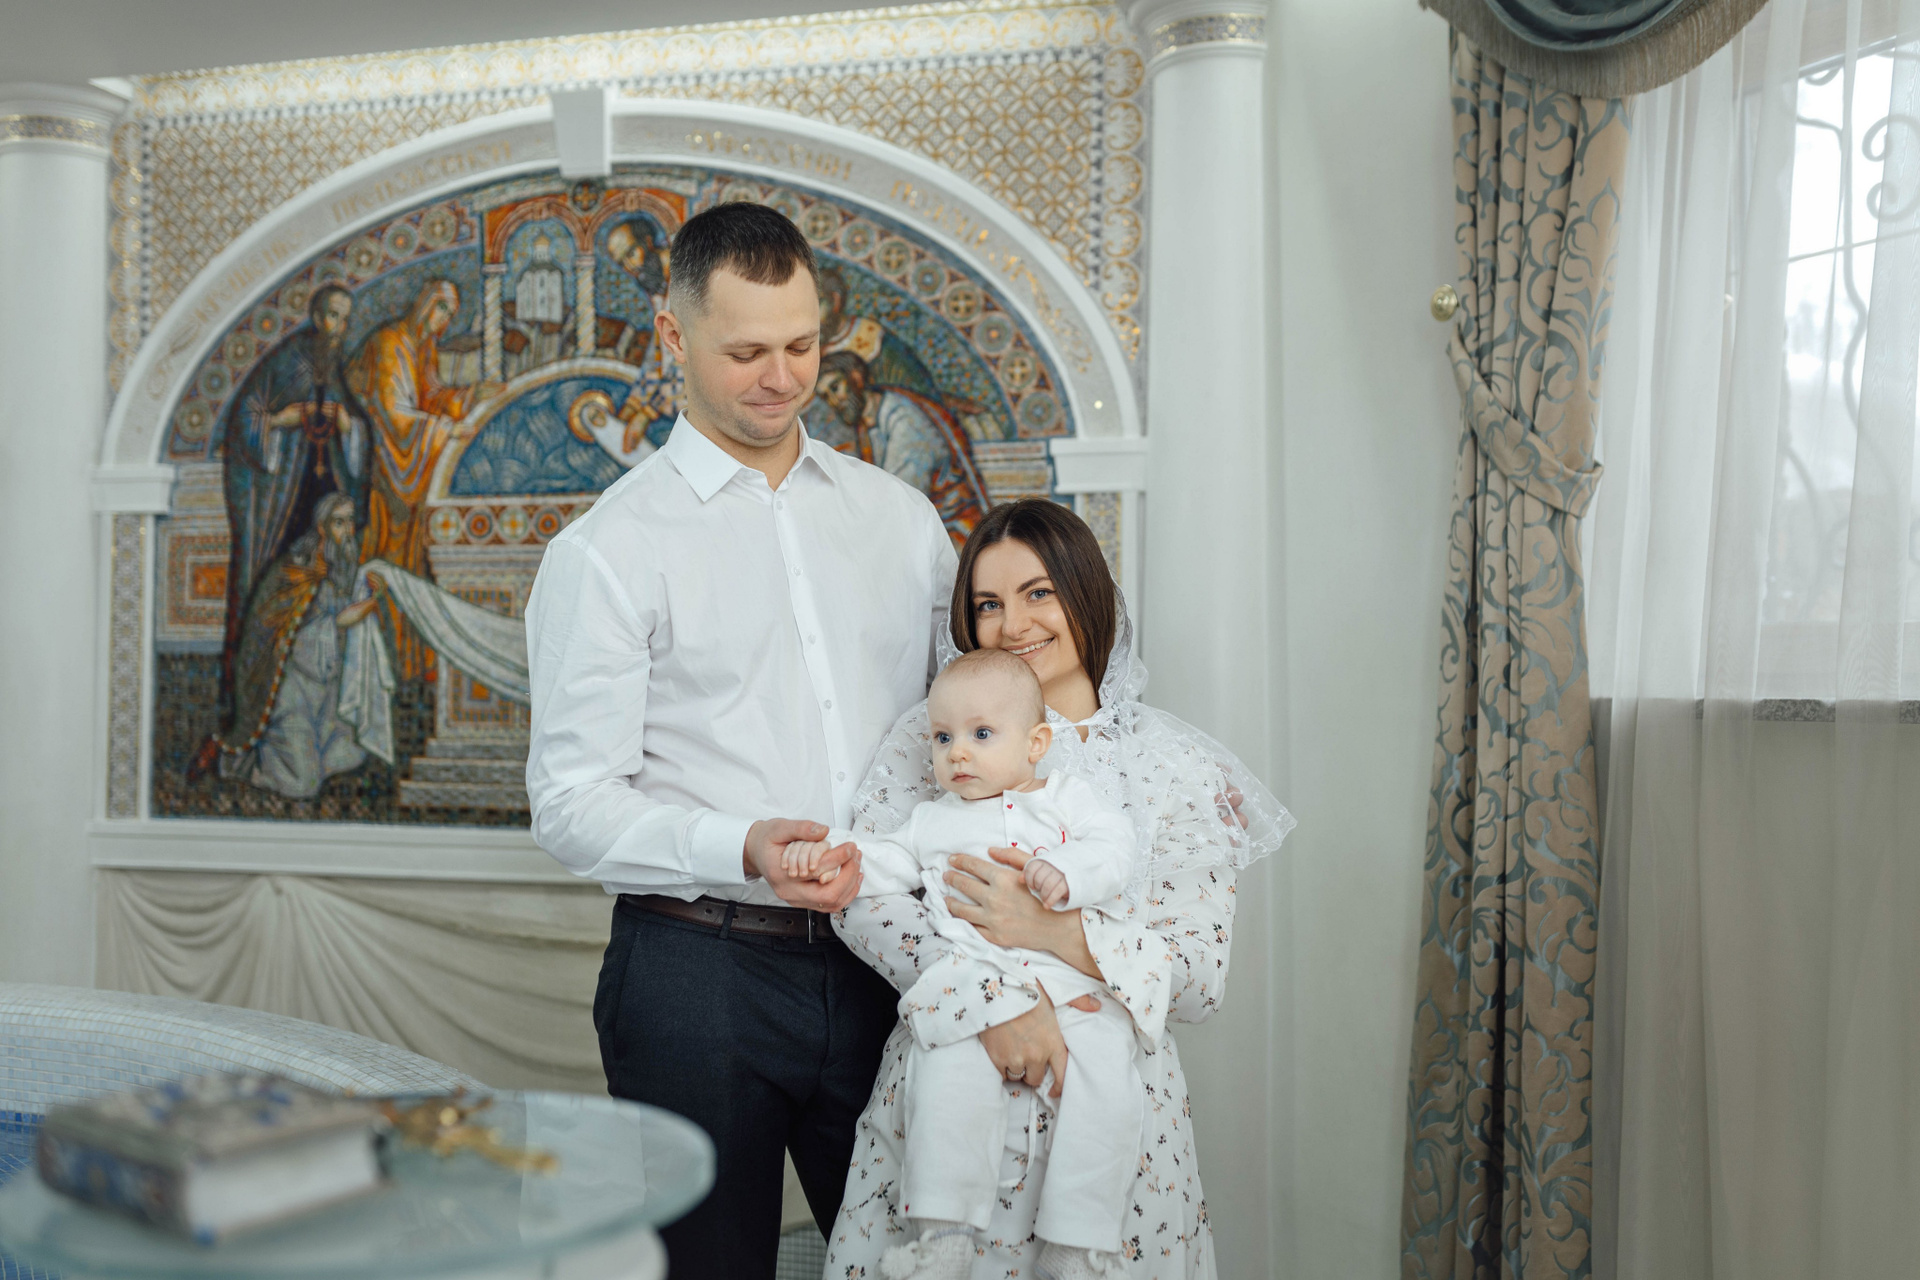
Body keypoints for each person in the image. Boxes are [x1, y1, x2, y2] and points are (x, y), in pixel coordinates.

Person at [523, 201, 959, 1280]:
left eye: (802, 346)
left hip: (893, 956)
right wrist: (744, 844)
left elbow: (966, 727)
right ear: (673, 338)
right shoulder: (608, 549)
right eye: (747, 352)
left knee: (925, 1260)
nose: (781, 377)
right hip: (695, 974)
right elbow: (570, 802)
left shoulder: (902, 522)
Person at [829, 498, 1294, 1280]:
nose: (1013, 624)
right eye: (988, 604)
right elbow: (864, 897)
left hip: (1120, 1132)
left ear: (1088, 595)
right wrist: (992, 1003)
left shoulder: (1175, 766)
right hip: (949, 1082)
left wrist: (1051, 931)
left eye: (1038, 593)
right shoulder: (935, 736)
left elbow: (1198, 978)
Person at [785, 647, 1142, 1280]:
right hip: (975, 984)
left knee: (1107, 1078)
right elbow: (881, 860)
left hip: (1068, 985)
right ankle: (943, 1233)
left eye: (981, 734)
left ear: (1036, 743)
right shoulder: (931, 821)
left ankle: (1077, 1239)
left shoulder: (1067, 800)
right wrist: (831, 854)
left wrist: (1069, 873)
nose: (957, 753)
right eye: (943, 737)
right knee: (944, 1081)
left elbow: (1116, 849)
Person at [216, 282, 366, 716]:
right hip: (283, 499)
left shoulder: (334, 367)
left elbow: (357, 430)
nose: (339, 327)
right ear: (317, 317)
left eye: (345, 319)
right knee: (275, 588)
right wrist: (283, 420)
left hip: (324, 486)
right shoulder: (288, 360)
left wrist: (347, 427)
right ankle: (258, 690)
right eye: (333, 316)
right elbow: (248, 417)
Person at [197, 493, 386, 798]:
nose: (348, 530)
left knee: (349, 756)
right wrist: (349, 616)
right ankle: (233, 763)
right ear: (322, 527)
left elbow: (347, 614)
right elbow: (288, 629)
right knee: (303, 785)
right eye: (339, 522)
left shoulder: (343, 567)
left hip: (327, 688)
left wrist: (368, 594)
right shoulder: (296, 568)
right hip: (291, 689)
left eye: (350, 521)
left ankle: (292, 756)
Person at [346, 278, 488, 677]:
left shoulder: (421, 349)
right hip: (389, 480)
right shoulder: (389, 344)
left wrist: (471, 396)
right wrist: (445, 431)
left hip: (412, 476)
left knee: (418, 564)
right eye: (441, 309)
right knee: (393, 562)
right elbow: (394, 417)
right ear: (424, 304)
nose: (444, 321)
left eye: (451, 314)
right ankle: (388, 658)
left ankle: (413, 659)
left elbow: (431, 398)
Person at [815, 348, 988, 544]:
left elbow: (899, 501)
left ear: (856, 378)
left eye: (835, 387)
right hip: (919, 531)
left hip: (952, 534)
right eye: (825, 396)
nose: (834, 401)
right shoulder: (869, 421)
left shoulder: (904, 420)